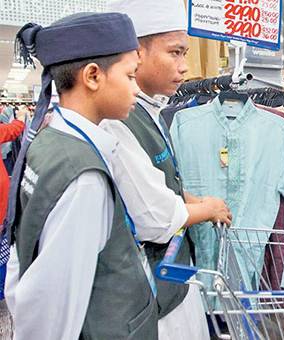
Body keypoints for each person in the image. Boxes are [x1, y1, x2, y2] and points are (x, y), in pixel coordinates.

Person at [5, 12, 160, 339]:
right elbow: (53, 313)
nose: (136, 89)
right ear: (92, 76)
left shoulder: (50, 140)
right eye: (130, 76)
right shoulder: (84, 179)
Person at [104, 1, 230, 339]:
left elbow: (162, 183)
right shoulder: (118, 123)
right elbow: (156, 219)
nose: (185, 67)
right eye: (174, 53)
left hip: (174, 280)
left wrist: (193, 198)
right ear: (136, 54)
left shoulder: (152, 112)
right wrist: (207, 208)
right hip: (150, 292)